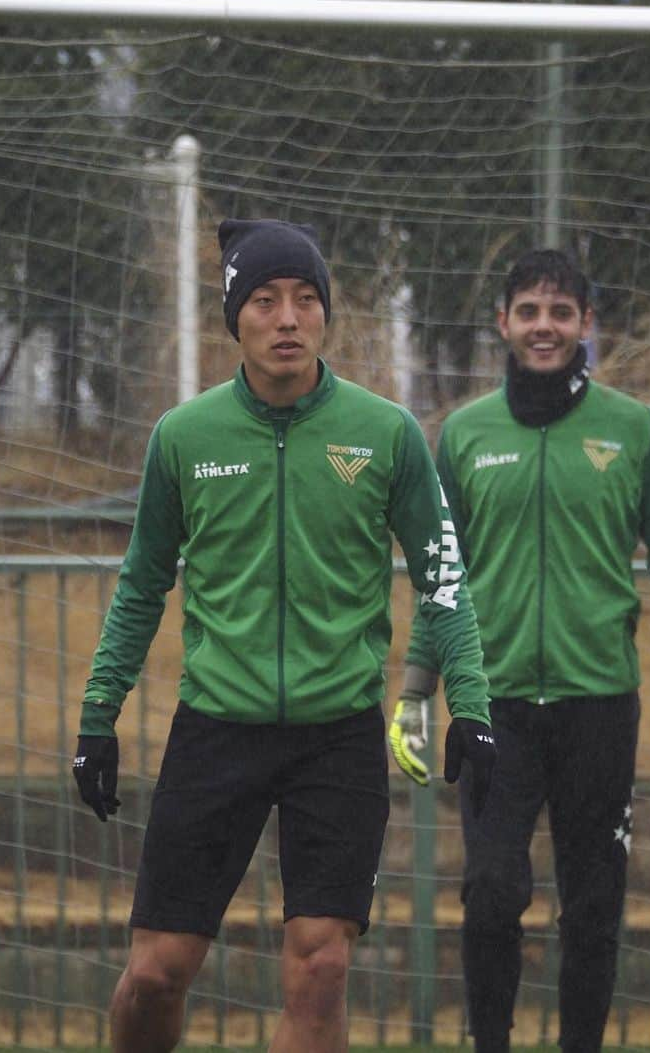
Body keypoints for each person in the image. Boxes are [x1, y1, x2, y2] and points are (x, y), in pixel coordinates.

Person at [72, 218, 496, 1052]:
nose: (288, 318)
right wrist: (97, 712)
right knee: (158, 970)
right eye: (265, 300)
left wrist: (471, 704)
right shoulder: (183, 438)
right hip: (215, 730)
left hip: (336, 737)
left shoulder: (387, 434)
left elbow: (444, 576)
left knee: (321, 963)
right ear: (236, 317)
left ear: (326, 315)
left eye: (306, 299)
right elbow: (141, 585)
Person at [393, 249, 650, 1052]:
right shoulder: (464, 434)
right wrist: (417, 690)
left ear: (587, 324)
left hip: (599, 706)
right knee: (490, 890)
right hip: (495, 708)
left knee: (593, 907)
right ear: (504, 323)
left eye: (561, 313)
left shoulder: (637, 432)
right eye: (529, 312)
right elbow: (441, 576)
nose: (545, 327)